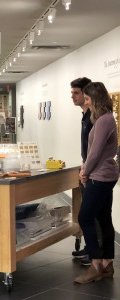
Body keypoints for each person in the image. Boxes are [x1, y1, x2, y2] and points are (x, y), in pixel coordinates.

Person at [74, 82, 119, 283]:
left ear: (96, 99)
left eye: (89, 98)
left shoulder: (103, 121)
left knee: (85, 218)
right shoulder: (105, 118)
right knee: (103, 218)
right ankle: (108, 265)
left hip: (99, 177)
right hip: (104, 175)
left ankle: (95, 265)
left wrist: (85, 172)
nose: (87, 101)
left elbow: (95, 152)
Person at [71, 77, 103, 266]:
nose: (73, 97)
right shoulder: (85, 116)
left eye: (77, 93)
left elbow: (96, 149)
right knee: (89, 214)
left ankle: (96, 253)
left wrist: (87, 169)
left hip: (93, 172)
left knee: (93, 214)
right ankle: (91, 249)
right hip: (87, 167)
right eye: (72, 93)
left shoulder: (95, 117)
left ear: (86, 94)